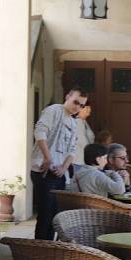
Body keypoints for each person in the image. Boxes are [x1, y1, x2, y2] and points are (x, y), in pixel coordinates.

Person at [31, 86, 88, 240]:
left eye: (81, 105)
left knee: (55, 215)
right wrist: (47, 158)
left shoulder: (74, 122)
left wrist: (64, 167)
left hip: (59, 173)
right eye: (76, 102)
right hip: (43, 170)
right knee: (45, 214)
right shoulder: (54, 110)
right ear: (67, 96)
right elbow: (39, 132)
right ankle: (40, 251)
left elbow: (72, 150)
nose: (78, 107)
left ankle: (50, 250)